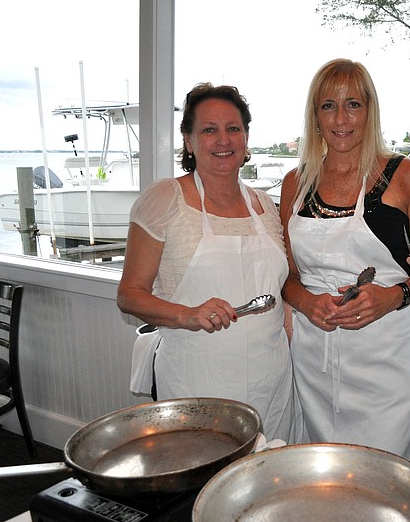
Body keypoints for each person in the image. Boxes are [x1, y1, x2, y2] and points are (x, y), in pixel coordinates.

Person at [117, 83, 300, 443]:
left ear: (246, 139)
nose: (223, 140)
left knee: (267, 481)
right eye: (209, 130)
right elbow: (129, 295)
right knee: (204, 480)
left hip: (272, 379)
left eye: (233, 129)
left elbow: (280, 289)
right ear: (188, 140)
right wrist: (187, 314)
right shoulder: (164, 198)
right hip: (197, 379)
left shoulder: (265, 205)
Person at [279, 58, 410, 458]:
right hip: (315, 359)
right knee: (325, 473)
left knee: (386, 476)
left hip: (389, 363)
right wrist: (309, 303)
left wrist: (390, 297)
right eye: (328, 105)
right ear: (314, 116)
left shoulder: (406, 176)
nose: (341, 117)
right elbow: (287, 276)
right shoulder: (295, 184)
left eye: (353, 104)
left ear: (370, 110)